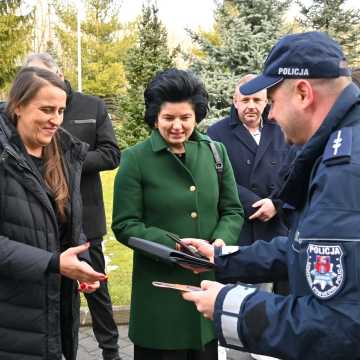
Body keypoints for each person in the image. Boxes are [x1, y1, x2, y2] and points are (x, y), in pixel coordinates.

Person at [181, 31, 360, 360]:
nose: (271, 115)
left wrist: (228, 305)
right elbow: (307, 249)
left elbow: (339, 326)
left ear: (303, 93)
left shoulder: (346, 170)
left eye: (272, 101)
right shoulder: (338, 148)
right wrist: (220, 259)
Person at [112, 68, 244, 360]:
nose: (177, 126)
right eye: (168, 118)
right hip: (159, 301)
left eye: (185, 118)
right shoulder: (135, 159)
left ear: (196, 116)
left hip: (207, 294)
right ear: (155, 117)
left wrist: (220, 244)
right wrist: (173, 245)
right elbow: (124, 225)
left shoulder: (216, 153)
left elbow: (233, 210)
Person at [0, 67, 107, 360]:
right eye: (46, 109)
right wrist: (53, 263)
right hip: (11, 320)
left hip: (55, 314)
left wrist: (81, 261)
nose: (56, 120)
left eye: (60, 110)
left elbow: (68, 225)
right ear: (18, 106)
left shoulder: (61, 155)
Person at [24, 53, 122, 360]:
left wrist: (68, 162)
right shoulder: (24, 113)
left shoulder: (92, 106)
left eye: (45, 76)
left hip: (85, 219)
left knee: (96, 288)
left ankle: (110, 351)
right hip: (36, 220)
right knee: (48, 292)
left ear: (60, 73)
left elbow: (111, 154)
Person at [208, 75, 290, 247]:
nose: (251, 106)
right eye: (245, 100)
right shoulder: (216, 133)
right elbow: (216, 177)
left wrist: (275, 203)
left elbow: (294, 170)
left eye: (257, 100)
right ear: (235, 101)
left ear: (265, 101)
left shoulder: (283, 129)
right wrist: (255, 205)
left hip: (278, 226)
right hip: (240, 225)